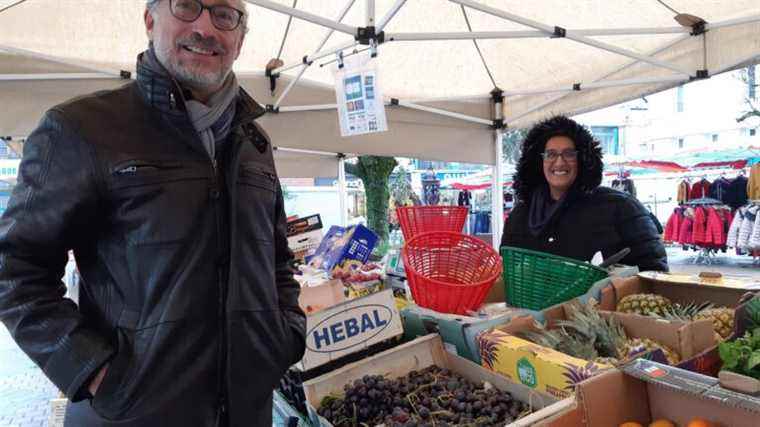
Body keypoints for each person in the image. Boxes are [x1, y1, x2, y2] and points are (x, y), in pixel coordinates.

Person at [0, 0, 306, 426]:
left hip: (247, 412)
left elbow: (276, 259)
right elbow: (13, 267)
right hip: (130, 413)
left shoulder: (254, 143)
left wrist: (285, 335)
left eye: (225, 14)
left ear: (239, 38)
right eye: (187, 6)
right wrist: (90, 370)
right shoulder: (83, 128)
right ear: (149, 20)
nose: (206, 27)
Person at [501, 115, 668, 272]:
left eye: (569, 154)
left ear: (582, 160)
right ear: (539, 162)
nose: (559, 162)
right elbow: (507, 272)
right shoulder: (520, 216)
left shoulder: (621, 207)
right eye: (550, 154)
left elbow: (654, 271)